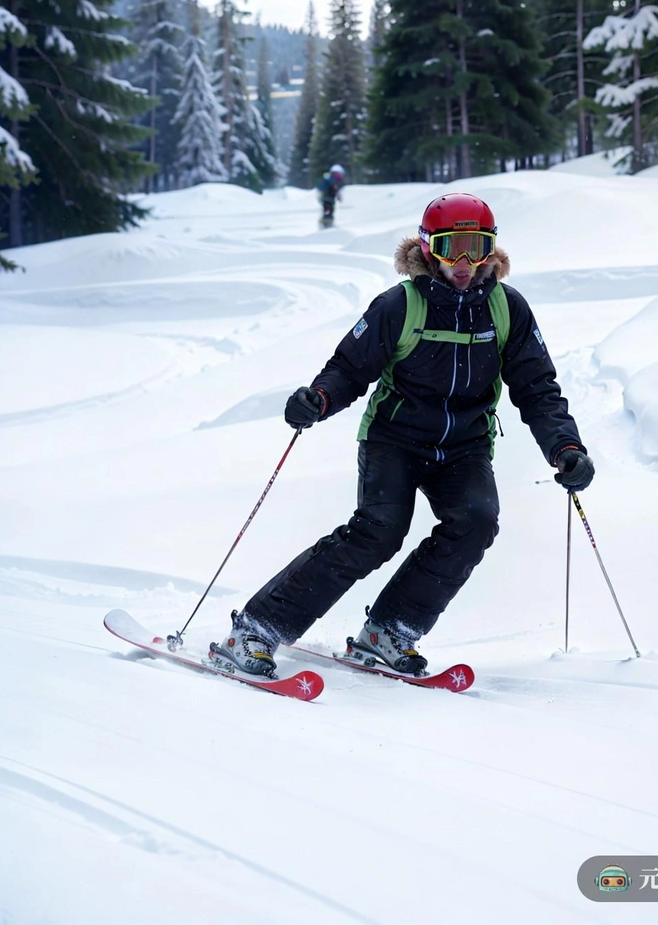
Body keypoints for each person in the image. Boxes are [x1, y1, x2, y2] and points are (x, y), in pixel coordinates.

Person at [212, 192, 594, 677]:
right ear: (428, 247)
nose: (462, 262)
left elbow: (538, 387)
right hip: (393, 438)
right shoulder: (401, 304)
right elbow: (349, 368)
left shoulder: (506, 309)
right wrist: (319, 398)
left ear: (491, 249)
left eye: (475, 247)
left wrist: (566, 448)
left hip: (465, 445)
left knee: (477, 521)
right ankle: (257, 629)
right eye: (450, 247)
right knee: (378, 532)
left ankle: (389, 630)